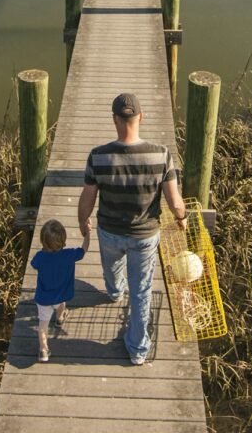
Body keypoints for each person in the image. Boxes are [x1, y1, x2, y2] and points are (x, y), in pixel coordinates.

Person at [77, 92, 187, 365]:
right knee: (141, 291)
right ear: (141, 117)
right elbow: (175, 201)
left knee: (112, 267)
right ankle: (137, 350)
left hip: (109, 232)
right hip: (145, 236)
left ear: (114, 119)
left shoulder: (98, 156)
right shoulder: (161, 155)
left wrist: (82, 221)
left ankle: (115, 292)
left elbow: (88, 196)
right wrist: (182, 217)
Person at [30, 218, 90, 363]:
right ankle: (59, 319)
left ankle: (43, 350)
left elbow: (34, 264)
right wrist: (88, 233)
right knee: (61, 305)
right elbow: (84, 250)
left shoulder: (40, 257)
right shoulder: (69, 255)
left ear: (43, 241)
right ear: (63, 239)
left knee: (43, 325)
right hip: (61, 294)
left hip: (44, 298)